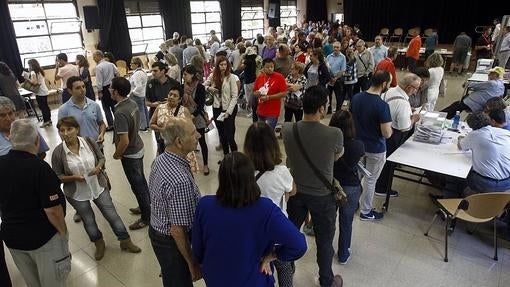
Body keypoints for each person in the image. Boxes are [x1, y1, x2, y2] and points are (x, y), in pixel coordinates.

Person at [192, 152, 307, 287]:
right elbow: (299, 245)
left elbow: (198, 249)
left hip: (216, 278)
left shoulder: (205, 205)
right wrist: (272, 256)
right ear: (250, 178)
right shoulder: (265, 209)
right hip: (253, 278)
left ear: (221, 178)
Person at [51, 117, 141, 261]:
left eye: (69, 129)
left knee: (112, 215)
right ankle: (99, 243)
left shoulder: (89, 142)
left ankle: (125, 241)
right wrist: (74, 178)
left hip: (98, 186)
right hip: (77, 193)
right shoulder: (58, 152)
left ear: (77, 129)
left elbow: (101, 158)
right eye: (62, 130)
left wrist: (98, 167)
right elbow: (56, 176)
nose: (66, 133)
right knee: (89, 221)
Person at [282, 85, 344, 287]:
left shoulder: (287, 128)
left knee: (291, 232)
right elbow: (335, 156)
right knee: (324, 241)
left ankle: (286, 271)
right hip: (322, 196)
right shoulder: (334, 134)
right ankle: (326, 280)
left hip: (295, 192)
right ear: (322, 109)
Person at [0, 119, 70, 287]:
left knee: (33, 282)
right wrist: (63, 232)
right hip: (43, 239)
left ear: (10, 138)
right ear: (37, 141)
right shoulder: (40, 169)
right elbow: (53, 210)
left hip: (13, 239)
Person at [148, 118, 202, 287]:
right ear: (179, 141)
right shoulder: (180, 180)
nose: (198, 135)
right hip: (171, 243)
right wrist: (191, 263)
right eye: (193, 133)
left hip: (157, 228)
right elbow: (177, 230)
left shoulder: (161, 159)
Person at [243, 122, 298, 286]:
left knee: (259, 268)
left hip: (253, 233)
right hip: (277, 232)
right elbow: (293, 190)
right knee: (284, 268)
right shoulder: (281, 172)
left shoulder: (243, 172)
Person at [350, 70, 393, 221]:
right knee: (371, 180)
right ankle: (366, 211)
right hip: (375, 148)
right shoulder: (382, 105)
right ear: (384, 84)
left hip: (358, 146)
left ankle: (353, 203)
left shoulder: (356, 98)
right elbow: (386, 133)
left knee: (357, 177)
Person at [110, 77, 151, 230]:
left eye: (111, 88)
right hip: (139, 147)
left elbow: (124, 141)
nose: (109, 90)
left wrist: (117, 154)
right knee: (141, 180)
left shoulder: (120, 112)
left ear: (115, 91)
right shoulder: (132, 102)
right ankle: (145, 205)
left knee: (137, 185)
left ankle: (146, 217)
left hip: (130, 153)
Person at [375, 74, 422, 198]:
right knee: (389, 163)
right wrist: (413, 119)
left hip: (381, 129)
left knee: (383, 161)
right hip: (393, 134)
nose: (416, 91)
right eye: (415, 88)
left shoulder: (390, 91)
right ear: (408, 87)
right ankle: (382, 188)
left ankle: (378, 184)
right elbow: (404, 127)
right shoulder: (402, 103)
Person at [329, 111, 364, 264]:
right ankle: (343, 253)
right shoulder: (358, 145)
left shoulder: (327, 142)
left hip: (331, 184)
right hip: (350, 186)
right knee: (346, 221)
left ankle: (326, 251)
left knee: (329, 220)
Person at [457, 112, 510, 192]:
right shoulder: (505, 132)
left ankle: (454, 197)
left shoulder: (475, 135)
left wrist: (460, 138)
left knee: (459, 173)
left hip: (486, 183)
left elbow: (461, 146)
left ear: (471, 126)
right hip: (507, 182)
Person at [204, 56, 239, 157]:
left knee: (229, 136)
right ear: (217, 65)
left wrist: (228, 112)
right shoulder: (213, 76)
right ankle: (226, 156)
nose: (223, 67)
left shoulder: (232, 77)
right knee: (222, 135)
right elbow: (203, 85)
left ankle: (235, 157)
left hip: (228, 109)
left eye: (225, 64)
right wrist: (209, 88)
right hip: (216, 108)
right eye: (221, 65)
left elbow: (234, 96)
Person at [182, 65, 209, 175]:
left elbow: (201, 105)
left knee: (202, 141)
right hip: (185, 116)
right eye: (183, 74)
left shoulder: (200, 87)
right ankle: (188, 164)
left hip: (197, 117)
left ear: (192, 75)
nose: (183, 77)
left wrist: (192, 116)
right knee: (186, 141)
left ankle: (206, 164)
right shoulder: (182, 86)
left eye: (185, 74)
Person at [253, 58, 288, 130]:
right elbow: (254, 91)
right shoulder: (260, 77)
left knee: (268, 132)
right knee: (260, 132)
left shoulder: (279, 77)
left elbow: (284, 93)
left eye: (272, 67)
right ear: (263, 68)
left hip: (273, 111)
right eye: (267, 67)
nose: (270, 69)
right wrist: (257, 93)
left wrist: (269, 97)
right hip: (261, 109)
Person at [94, 50, 119, 130]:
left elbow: (99, 81)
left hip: (104, 89)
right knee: (114, 106)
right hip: (112, 87)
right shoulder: (111, 64)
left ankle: (111, 125)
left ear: (99, 56)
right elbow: (117, 73)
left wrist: (99, 91)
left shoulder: (98, 67)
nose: (94, 59)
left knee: (106, 107)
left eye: (94, 57)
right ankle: (119, 122)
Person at [25, 59, 51, 127]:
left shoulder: (33, 72)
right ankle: (48, 120)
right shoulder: (40, 71)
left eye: (29, 65)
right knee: (45, 106)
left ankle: (46, 121)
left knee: (42, 107)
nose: (29, 66)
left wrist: (27, 79)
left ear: (31, 65)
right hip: (44, 90)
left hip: (40, 92)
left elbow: (34, 82)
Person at [129, 57, 149, 131]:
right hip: (143, 94)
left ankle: (143, 126)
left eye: (132, 63)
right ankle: (147, 124)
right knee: (144, 109)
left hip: (137, 95)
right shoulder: (143, 71)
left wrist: (132, 93)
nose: (130, 64)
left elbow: (139, 86)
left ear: (137, 64)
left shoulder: (137, 74)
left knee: (140, 111)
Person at [326, 42, 346, 113]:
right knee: (329, 96)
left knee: (338, 97)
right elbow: (327, 68)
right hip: (330, 79)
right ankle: (329, 109)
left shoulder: (343, 57)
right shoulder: (328, 57)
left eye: (337, 47)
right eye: (334, 47)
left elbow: (343, 70)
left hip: (338, 80)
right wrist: (330, 78)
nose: (336, 49)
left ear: (340, 48)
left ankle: (338, 111)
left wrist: (336, 78)